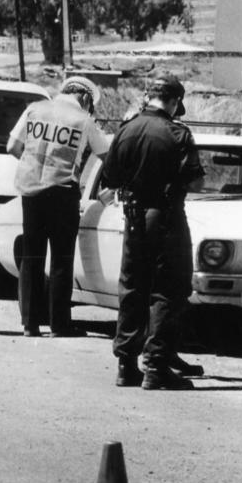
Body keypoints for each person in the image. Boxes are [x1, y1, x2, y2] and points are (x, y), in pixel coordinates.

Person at [101, 75, 205, 390]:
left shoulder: (127, 129)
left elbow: (111, 178)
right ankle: (156, 366)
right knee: (169, 291)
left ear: (149, 97)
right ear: (174, 102)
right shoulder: (178, 133)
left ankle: (125, 365)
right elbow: (196, 182)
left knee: (132, 288)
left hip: (132, 217)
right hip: (166, 218)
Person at [7, 76, 110, 337]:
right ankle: (59, 324)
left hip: (31, 190)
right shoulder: (83, 120)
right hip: (63, 192)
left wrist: (32, 163)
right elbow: (106, 156)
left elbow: (12, 146)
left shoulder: (34, 108)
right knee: (62, 259)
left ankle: (29, 324)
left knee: (32, 255)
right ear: (85, 98)